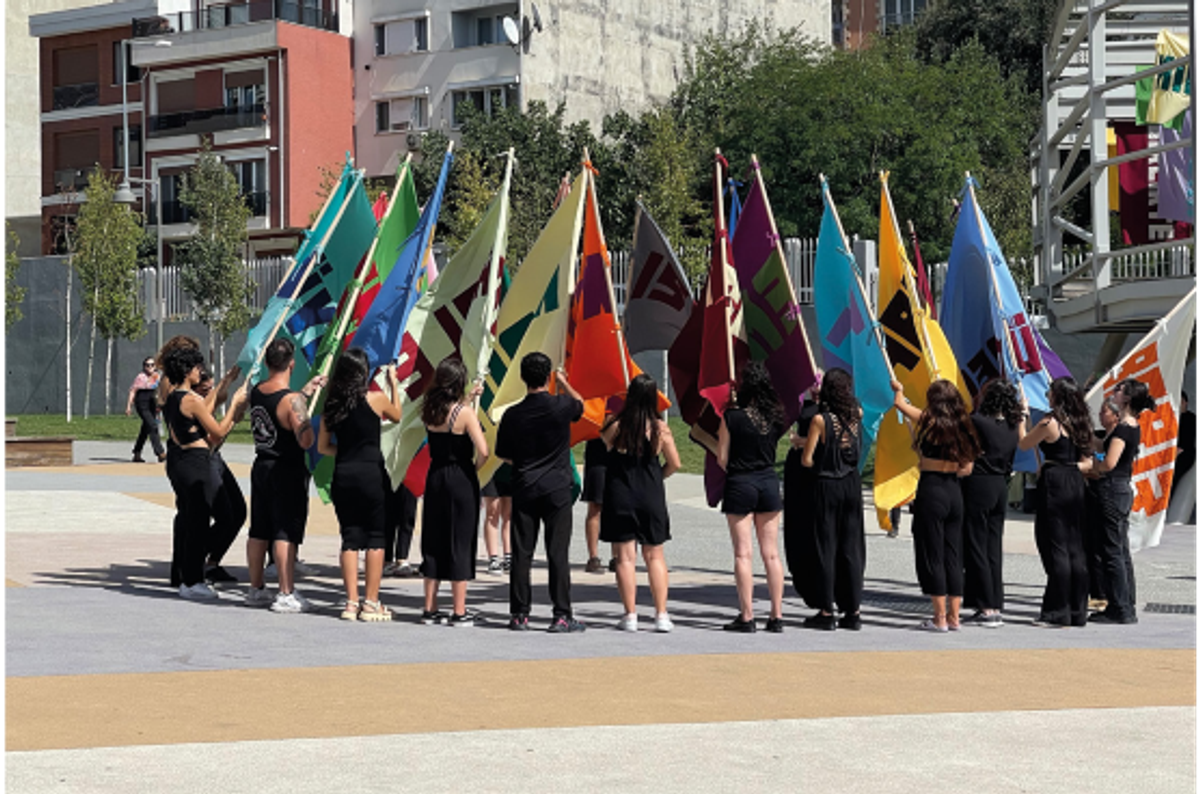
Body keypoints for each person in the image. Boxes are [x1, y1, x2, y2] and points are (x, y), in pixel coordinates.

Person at [495, 353, 586, 633]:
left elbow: (504, 455)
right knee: (557, 552)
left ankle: (520, 614)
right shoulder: (561, 405)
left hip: (525, 485)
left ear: (522, 378)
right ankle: (561, 614)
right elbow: (581, 405)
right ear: (548, 376)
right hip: (557, 487)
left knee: (522, 553)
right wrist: (564, 382)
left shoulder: (513, 414)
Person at [318, 348, 402, 622]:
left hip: (344, 473)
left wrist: (344, 452)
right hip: (371, 473)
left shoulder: (332, 404)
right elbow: (397, 415)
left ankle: (351, 602)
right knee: (376, 537)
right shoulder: (375, 399)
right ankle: (371, 601)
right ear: (363, 372)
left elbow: (323, 446)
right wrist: (393, 383)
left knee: (350, 538)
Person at [892, 378, 981, 633]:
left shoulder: (929, 421)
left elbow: (899, 404)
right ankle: (955, 616)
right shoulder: (963, 427)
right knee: (953, 554)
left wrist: (899, 389)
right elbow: (967, 468)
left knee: (933, 553)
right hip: (954, 490)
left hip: (932, 489)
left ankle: (939, 616)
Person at [160, 346, 249, 600]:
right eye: (197, 367)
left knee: (193, 520)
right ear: (188, 371)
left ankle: (189, 576)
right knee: (199, 521)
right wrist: (234, 405)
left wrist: (226, 385)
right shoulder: (190, 400)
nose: (201, 372)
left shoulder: (173, 399)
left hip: (182, 463)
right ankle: (192, 580)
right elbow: (217, 432)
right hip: (195, 463)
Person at [244, 338, 325, 613]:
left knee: (259, 529)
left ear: (268, 363)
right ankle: (285, 591)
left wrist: (303, 393)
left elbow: (278, 404)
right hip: (285, 469)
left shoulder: (257, 391)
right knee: (284, 531)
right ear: (291, 364)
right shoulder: (292, 401)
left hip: (262, 464)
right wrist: (305, 412)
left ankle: (256, 588)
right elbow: (305, 439)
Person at [600, 374, 682, 632]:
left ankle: (630, 614)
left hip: (621, 493)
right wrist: (658, 476)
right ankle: (661, 614)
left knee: (624, 557)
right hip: (650, 494)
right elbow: (675, 463)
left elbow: (604, 441)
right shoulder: (660, 429)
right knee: (654, 555)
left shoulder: (614, 426)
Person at [718, 361, 787, 633]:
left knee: (743, 553)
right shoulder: (776, 418)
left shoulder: (731, 418)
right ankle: (776, 614)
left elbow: (722, 458)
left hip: (740, 482)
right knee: (771, 554)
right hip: (768, 481)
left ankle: (747, 615)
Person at [1019, 377, 1094, 628]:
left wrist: (1021, 419)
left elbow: (1024, 443)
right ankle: (1076, 609)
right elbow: (1088, 463)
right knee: (1075, 545)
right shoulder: (1082, 423)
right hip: (1074, 481)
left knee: (1055, 545)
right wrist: (1071, 466)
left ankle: (1057, 610)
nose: (1047, 395)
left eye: (1050, 392)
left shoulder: (1050, 422)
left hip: (1055, 482)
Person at [419, 359, 489, 625]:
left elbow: (451, 413)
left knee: (433, 538)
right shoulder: (465, 414)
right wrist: (474, 468)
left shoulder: (430, 409)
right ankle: (459, 610)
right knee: (460, 539)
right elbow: (483, 451)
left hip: (435, 475)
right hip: (460, 476)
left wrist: (469, 398)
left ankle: (430, 607)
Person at [800, 368, 865, 631]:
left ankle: (827, 610)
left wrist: (801, 444)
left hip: (827, 484)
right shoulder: (856, 414)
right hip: (852, 483)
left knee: (825, 546)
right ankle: (853, 609)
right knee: (851, 547)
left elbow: (807, 459)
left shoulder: (820, 420)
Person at [1087, 379, 1153, 625]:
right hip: (1121, 488)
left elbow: (1109, 463)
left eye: (1119, 390)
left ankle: (1120, 608)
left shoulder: (1124, 427)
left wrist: (1090, 465)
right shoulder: (1129, 426)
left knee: (1112, 551)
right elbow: (1107, 449)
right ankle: (1126, 602)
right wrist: (1092, 441)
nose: (1115, 392)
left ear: (1127, 399)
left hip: (1112, 488)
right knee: (1120, 549)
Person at [961, 380, 1023, 628]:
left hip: (979, 483)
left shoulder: (977, 422)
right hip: (1000, 484)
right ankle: (994, 601)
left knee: (976, 544)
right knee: (993, 546)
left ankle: (986, 606)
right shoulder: (1011, 425)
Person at [193, 365, 246, 585]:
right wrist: (233, 413)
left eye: (211, 388)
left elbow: (217, 440)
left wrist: (230, 381)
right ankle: (193, 558)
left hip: (215, 459)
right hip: (203, 462)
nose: (210, 393)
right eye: (205, 390)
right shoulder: (192, 405)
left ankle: (212, 563)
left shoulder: (205, 403)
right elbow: (213, 439)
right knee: (225, 516)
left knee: (239, 512)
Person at [784, 372, 821, 608]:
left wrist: (801, 440)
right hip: (797, 468)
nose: (816, 388)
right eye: (813, 384)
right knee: (797, 520)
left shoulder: (829, 412)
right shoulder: (804, 406)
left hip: (816, 467)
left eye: (819, 383)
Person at [127, 356, 166, 463]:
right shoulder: (140, 377)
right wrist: (129, 406)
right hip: (142, 401)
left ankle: (137, 453)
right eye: (147, 365)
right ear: (144, 366)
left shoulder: (157, 376)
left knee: (146, 429)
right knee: (152, 425)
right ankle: (160, 453)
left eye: (152, 365)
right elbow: (133, 391)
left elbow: (162, 389)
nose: (149, 367)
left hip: (153, 402)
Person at [581, 436, 610, 574]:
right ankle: (593, 557)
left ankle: (617, 555)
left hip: (620, 453)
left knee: (619, 506)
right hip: (597, 454)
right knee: (595, 506)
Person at [481, 469, 513, 574]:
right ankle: (493, 557)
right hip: (491, 470)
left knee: (508, 514)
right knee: (492, 512)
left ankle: (508, 556)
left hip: (510, 469)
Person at [384, 484, 419, 577]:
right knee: (388, 518)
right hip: (391, 475)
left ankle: (402, 558)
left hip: (410, 476)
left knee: (407, 516)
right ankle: (386, 560)